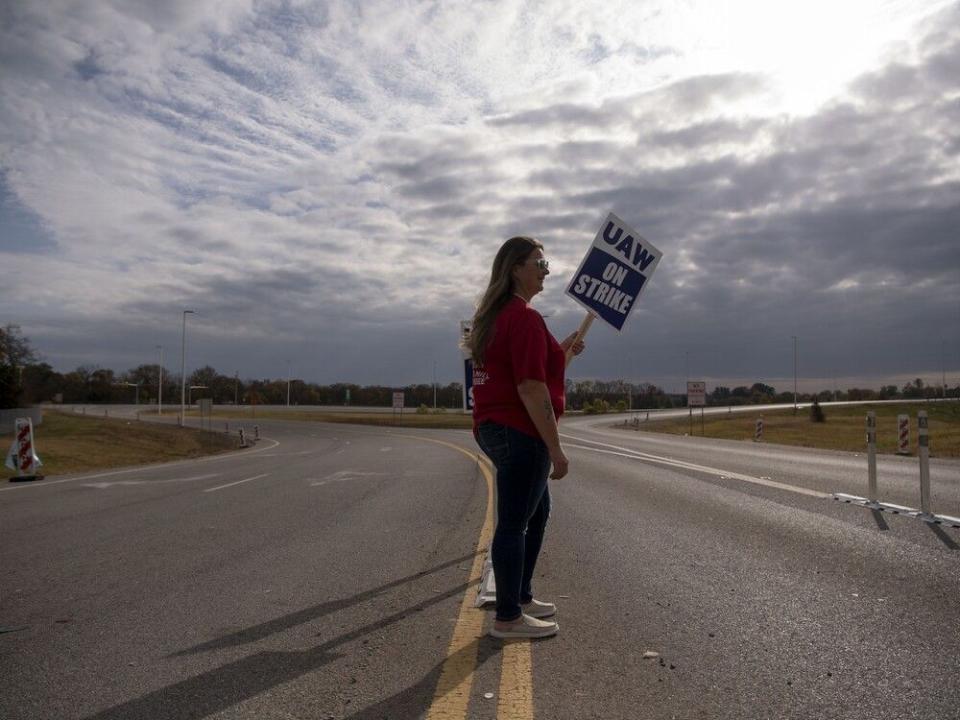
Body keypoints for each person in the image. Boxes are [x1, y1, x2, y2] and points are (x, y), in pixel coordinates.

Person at [467, 235, 585, 639]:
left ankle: (520, 593)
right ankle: (508, 617)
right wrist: (556, 449)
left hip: (492, 427)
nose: (545, 270)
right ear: (515, 268)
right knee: (515, 522)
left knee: (537, 511)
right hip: (520, 430)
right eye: (539, 262)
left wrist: (563, 351)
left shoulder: (496, 317)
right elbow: (531, 388)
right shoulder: (524, 318)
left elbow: (535, 369)